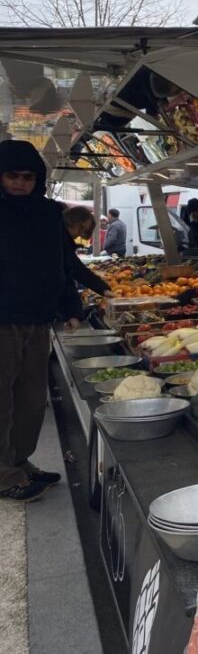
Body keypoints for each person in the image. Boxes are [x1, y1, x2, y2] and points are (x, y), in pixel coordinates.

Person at [0, 139, 81, 501]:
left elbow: (62, 264)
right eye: (12, 175)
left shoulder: (50, 214)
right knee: (2, 400)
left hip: (38, 319)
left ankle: (18, 459)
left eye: (27, 176)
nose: (20, 182)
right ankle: (3, 474)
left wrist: (72, 307)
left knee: (31, 398)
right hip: (2, 320)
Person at [61, 207, 112, 298]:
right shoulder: (58, 242)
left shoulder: (61, 238)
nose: (77, 236)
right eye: (81, 230)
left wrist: (103, 289)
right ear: (76, 224)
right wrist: (103, 289)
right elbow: (76, 268)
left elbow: (76, 268)